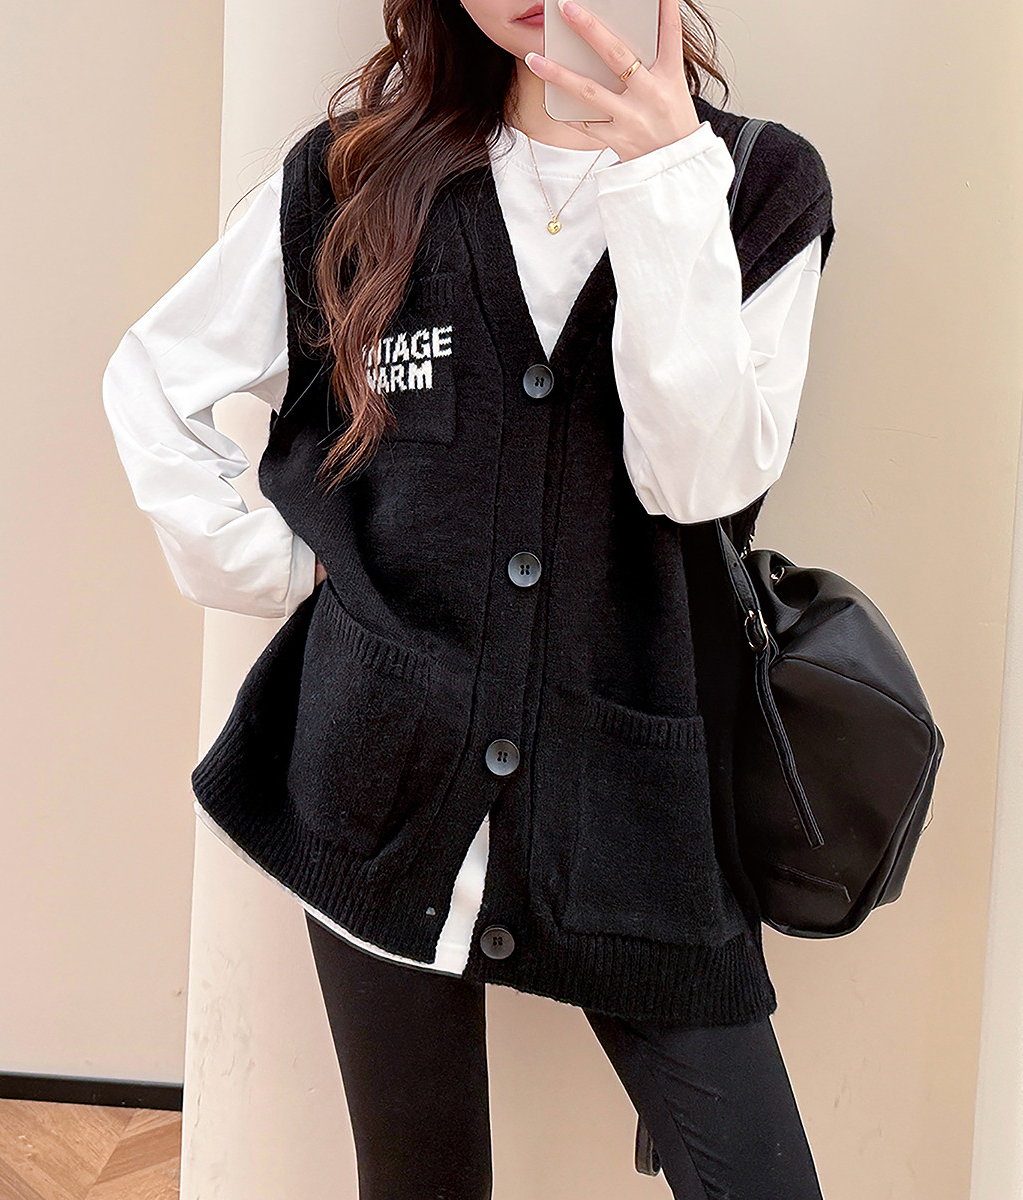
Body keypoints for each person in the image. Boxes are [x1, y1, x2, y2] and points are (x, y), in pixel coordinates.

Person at [103, 1, 835, 1195]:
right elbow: (153, 380)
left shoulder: (756, 186)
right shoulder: (357, 177)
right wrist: (272, 563)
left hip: (634, 807)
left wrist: (661, 182)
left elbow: (696, 482)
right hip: (377, 777)